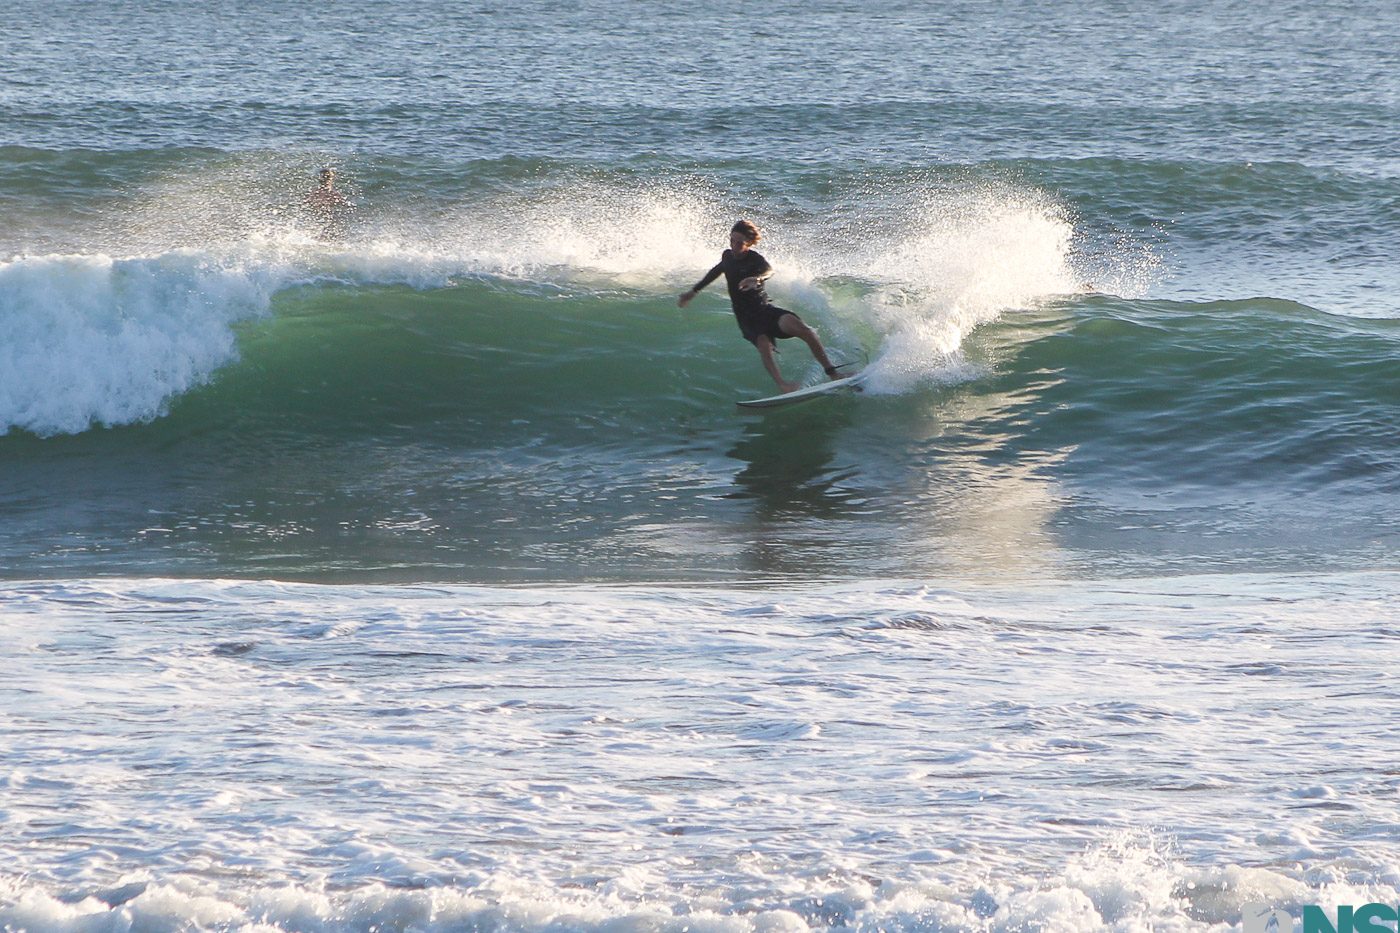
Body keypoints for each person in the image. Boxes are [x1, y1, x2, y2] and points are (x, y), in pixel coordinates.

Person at [679, 220, 844, 395]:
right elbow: (716, 271)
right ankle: (783, 385)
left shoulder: (755, 260)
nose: (734, 246)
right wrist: (693, 292)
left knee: (805, 330)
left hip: (764, 309)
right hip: (746, 317)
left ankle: (833, 373)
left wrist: (756, 279)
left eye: (739, 243)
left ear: (749, 244)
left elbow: (769, 271)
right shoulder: (727, 257)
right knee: (764, 345)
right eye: (732, 241)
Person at [303, 167, 355, 240]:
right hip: (329, 216)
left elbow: (305, 203)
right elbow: (345, 205)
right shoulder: (333, 194)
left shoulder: (314, 193)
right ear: (331, 180)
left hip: (316, 216)